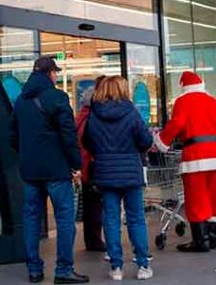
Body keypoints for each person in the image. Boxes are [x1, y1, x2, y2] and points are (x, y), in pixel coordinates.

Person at [9, 56, 88, 285]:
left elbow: (11, 136)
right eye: (55, 72)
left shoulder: (21, 102)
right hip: (57, 170)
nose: (56, 76)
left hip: (30, 171)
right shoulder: (58, 98)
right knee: (64, 218)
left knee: (32, 219)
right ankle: (63, 270)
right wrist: (75, 164)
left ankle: (34, 270)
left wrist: (26, 154)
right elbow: (68, 135)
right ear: (50, 73)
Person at [82, 77, 153, 281]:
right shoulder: (131, 113)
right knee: (136, 219)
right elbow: (146, 140)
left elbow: (87, 141)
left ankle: (116, 267)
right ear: (122, 90)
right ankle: (142, 265)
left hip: (105, 173)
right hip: (131, 172)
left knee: (111, 219)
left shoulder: (94, 115)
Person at [154, 71, 216, 253]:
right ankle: (212, 237)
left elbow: (177, 124)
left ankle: (200, 241)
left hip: (196, 155)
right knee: (214, 196)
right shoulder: (213, 101)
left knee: (197, 197)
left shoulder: (183, 101)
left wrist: (161, 141)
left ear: (183, 87)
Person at [75, 80, 106, 254]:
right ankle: (94, 240)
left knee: (90, 205)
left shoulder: (81, 116)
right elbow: (90, 142)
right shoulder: (92, 118)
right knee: (95, 206)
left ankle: (92, 239)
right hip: (92, 166)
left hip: (86, 166)